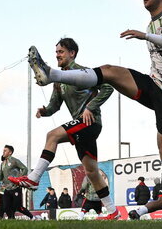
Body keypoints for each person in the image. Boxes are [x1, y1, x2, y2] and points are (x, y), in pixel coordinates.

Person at [28, 0, 162, 220]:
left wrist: (146, 36)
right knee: (110, 72)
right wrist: (46, 109)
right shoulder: (150, 24)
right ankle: (51, 74)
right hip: (154, 85)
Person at [9, 37, 118, 217]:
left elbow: (108, 87)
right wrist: (44, 111)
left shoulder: (84, 72)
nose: (57, 55)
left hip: (90, 123)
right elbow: (54, 106)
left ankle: (34, 178)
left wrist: (91, 107)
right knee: (91, 171)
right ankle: (113, 212)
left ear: (72, 53)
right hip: (80, 127)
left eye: (61, 52)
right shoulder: (59, 81)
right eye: (56, 52)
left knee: (52, 135)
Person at [0, 145, 33, 219]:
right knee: (6, 206)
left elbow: (25, 169)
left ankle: (31, 217)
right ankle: (11, 219)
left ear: (10, 152)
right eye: (3, 150)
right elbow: (1, 176)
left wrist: (19, 179)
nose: (3, 152)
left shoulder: (14, 160)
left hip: (15, 187)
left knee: (18, 207)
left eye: (5, 150)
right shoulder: (2, 163)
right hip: (6, 188)